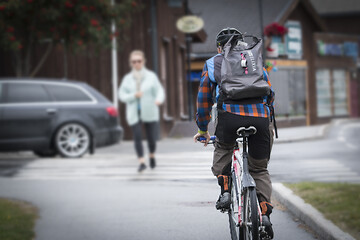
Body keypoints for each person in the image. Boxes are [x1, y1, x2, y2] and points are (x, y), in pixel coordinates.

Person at [193, 28, 275, 238]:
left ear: (220, 47)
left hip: (229, 117)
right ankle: (264, 213)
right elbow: (270, 94)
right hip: (260, 118)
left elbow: (203, 99)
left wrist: (203, 129)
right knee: (259, 169)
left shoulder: (214, 62)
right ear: (241, 44)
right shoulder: (255, 60)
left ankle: (226, 191)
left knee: (224, 147)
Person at [119, 50, 165, 172]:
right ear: (131, 63)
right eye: (134, 61)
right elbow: (122, 95)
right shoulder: (127, 79)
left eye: (139, 61)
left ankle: (151, 155)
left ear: (143, 61)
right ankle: (141, 161)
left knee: (151, 138)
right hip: (134, 113)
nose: (136, 63)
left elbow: (159, 91)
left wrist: (158, 100)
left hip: (150, 110)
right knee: (137, 137)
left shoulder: (151, 77)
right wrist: (134, 95)